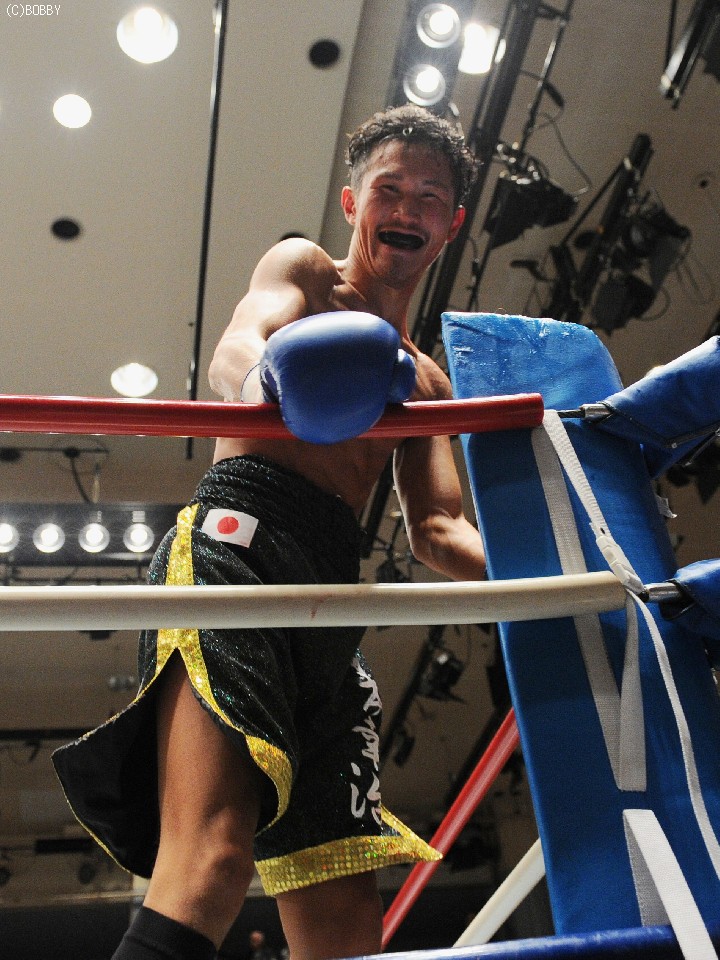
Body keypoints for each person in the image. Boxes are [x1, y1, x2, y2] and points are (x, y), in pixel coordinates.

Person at [52, 104, 486, 960]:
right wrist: (279, 382)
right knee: (211, 864)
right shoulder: (307, 272)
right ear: (353, 202)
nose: (407, 208)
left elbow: (438, 529)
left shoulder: (427, 382)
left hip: (328, 607)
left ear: (452, 223)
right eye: (389, 189)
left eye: (430, 197)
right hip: (240, 546)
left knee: (345, 932)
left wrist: (565, 569)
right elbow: (236, 349)